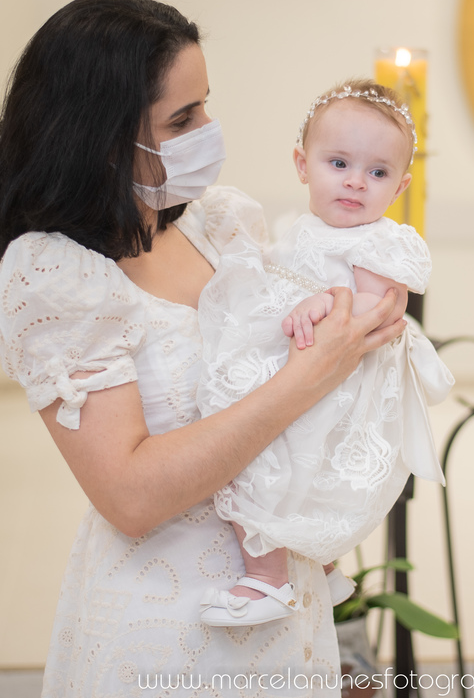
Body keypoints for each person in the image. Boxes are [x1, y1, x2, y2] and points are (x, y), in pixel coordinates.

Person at [0, 0, 405, 697]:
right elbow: (131, 495)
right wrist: (309, 376)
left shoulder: (217, 223)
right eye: (183, 118)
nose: (210, 128)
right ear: (103, 135)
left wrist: (368, 303)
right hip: (169, 624)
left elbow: (302, 331)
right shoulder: (57, 275)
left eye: (206, 104)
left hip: (282, 606)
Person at [192, 81, 454, 627]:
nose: (357, 181)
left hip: (341, 382)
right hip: (308, 364)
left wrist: (320, 303)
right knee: (295, 467)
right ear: (302, 163)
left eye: (378, 173)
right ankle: (325, 564)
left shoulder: (379, 240)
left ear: (401, 185)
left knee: (266, 465)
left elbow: (371, 308)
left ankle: (268, 579)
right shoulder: (304, 228)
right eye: (339, 162)